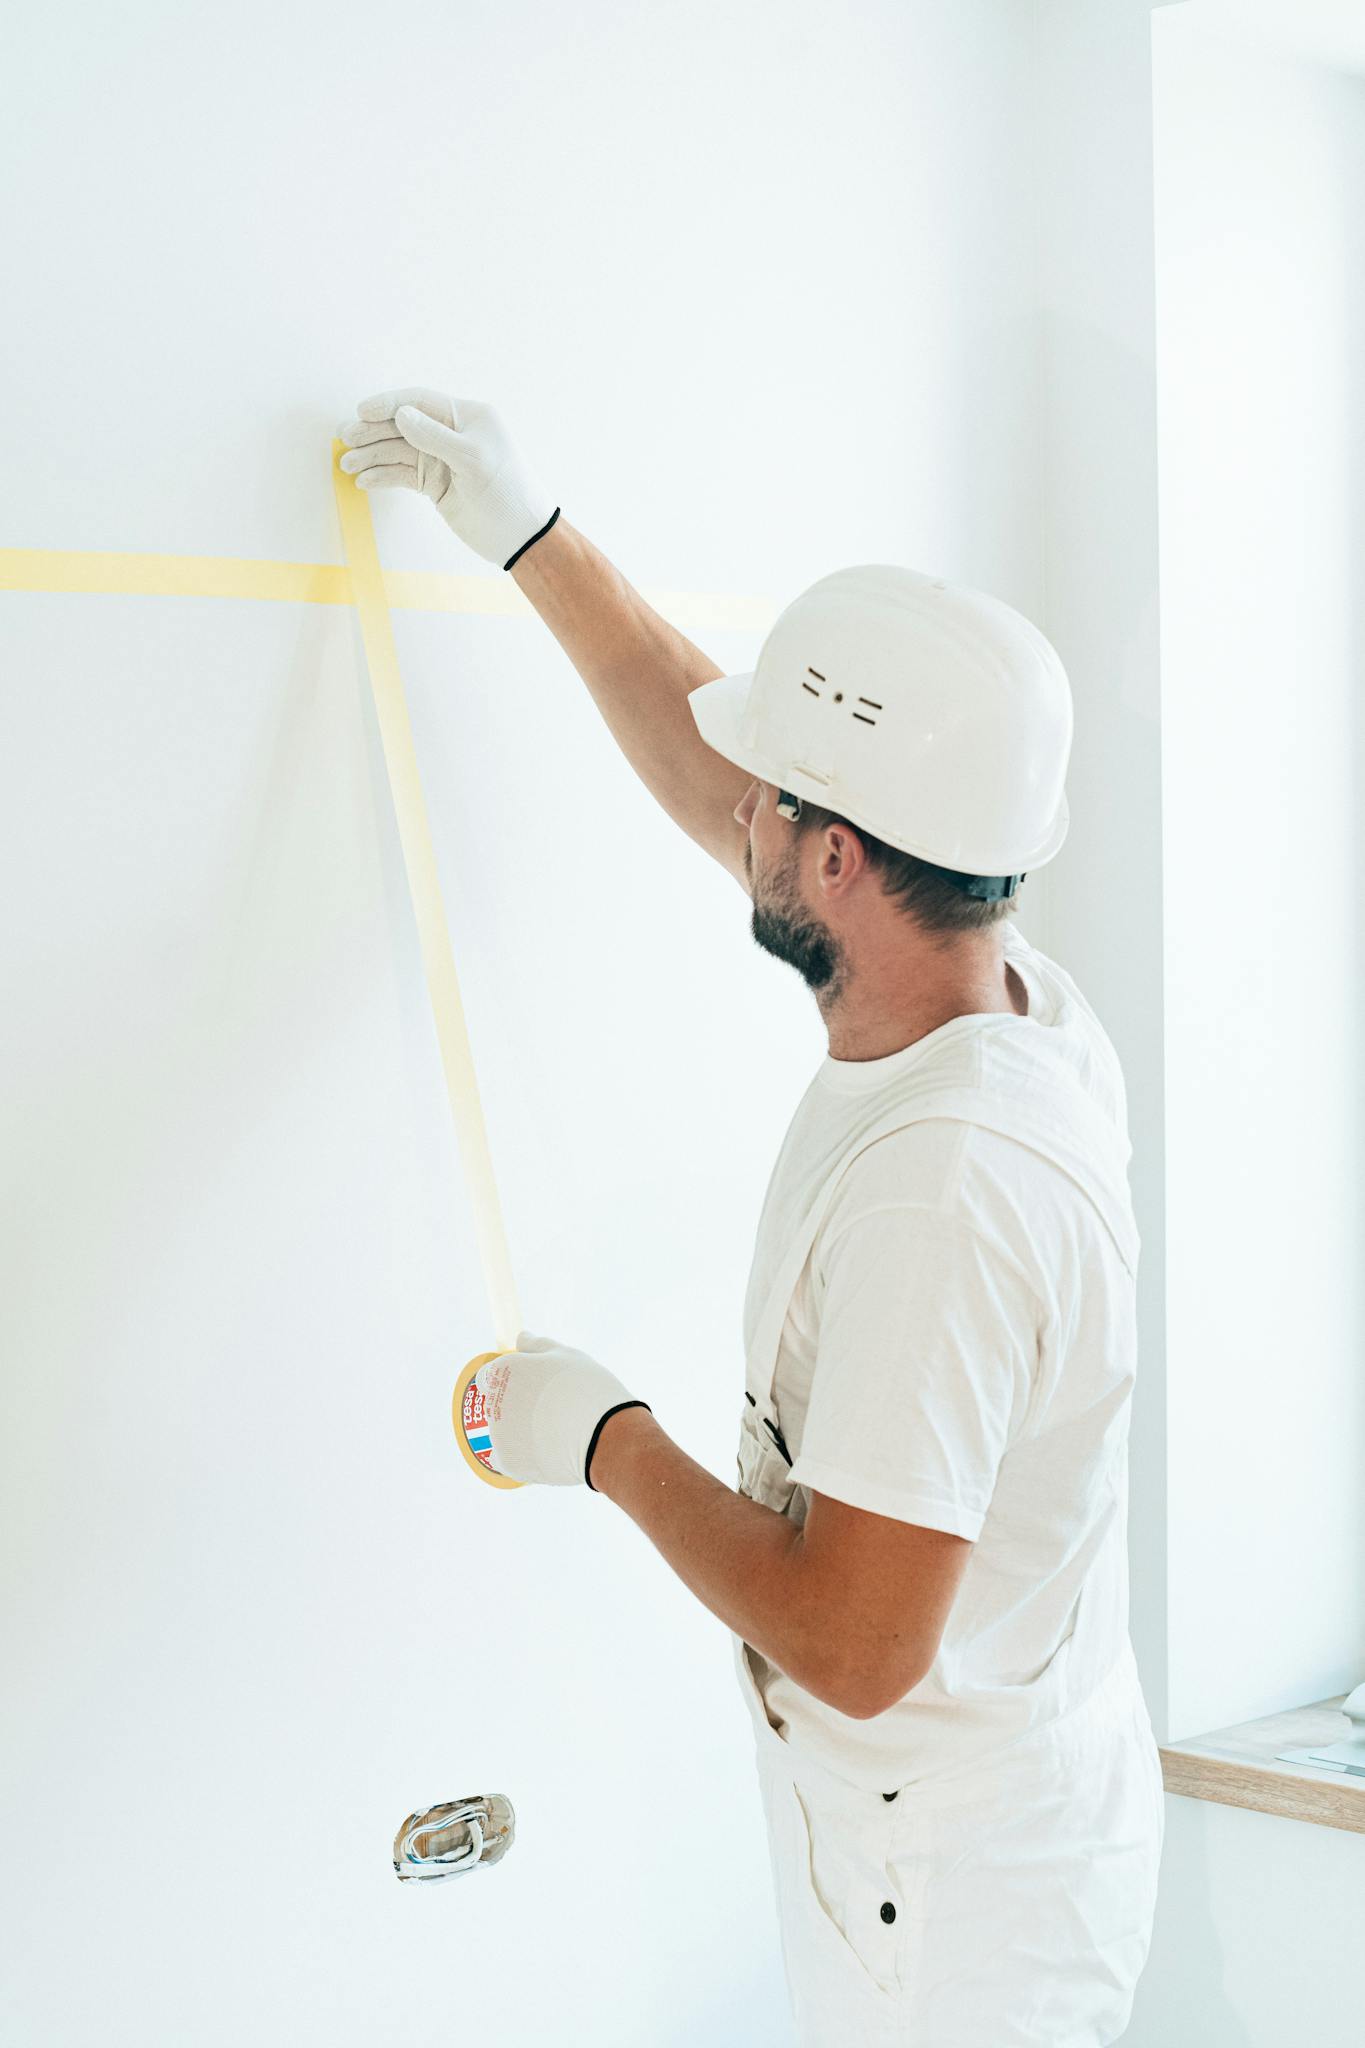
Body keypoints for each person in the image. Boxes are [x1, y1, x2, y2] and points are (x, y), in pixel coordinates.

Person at [337, 389, 1166, 2046]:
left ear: (840, 859)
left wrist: (607, 1443)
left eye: (774, 803)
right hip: (971, 1826)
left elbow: (854, 1645)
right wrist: (526, 531)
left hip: (954, 1916)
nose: (740, 810)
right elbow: (712, 762)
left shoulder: (945, 1198)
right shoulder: (993, 988)